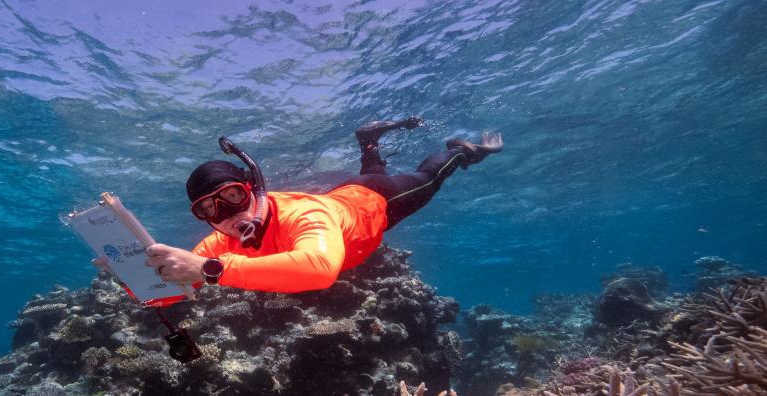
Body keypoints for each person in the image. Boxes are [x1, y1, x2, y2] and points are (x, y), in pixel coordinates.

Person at [99, 118, 502, 293]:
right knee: (372, 168)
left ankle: (462, 151)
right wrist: (134, 275)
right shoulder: (220, 243)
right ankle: (368, 141)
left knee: (428, 179)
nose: (228, 215)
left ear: (252, 189)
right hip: (345, 196)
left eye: (233, 197)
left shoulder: (306, 215)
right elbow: (181, 280)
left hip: (374, 200)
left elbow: (321, 269)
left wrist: (210, 270)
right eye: (209, 210)